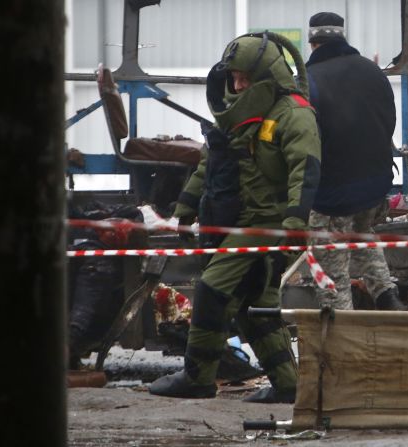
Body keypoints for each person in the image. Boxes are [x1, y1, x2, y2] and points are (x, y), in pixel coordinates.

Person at [148, 32, 321, 403]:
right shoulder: (237, 116)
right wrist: (185, 208)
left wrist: (294, 223)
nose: (238, 85)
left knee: (212, 288)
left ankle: (197, 378)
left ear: (267, 76)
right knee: (252, 307)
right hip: (239, 222)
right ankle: (289, 385)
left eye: (245, 78)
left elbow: (304, 172)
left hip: (268, 224)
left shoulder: (294, 114)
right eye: (234, 78)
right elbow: (211, 164)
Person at [305, 12, 407, 311]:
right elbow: (389, 121)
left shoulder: (311, 79)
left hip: (334, 190)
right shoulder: (372, 71)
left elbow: (310, 138)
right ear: (341, 37)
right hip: (375, 184)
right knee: (363, 235)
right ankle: (386, 296)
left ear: (313, 42)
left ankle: (341, 328)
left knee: (329, 259)